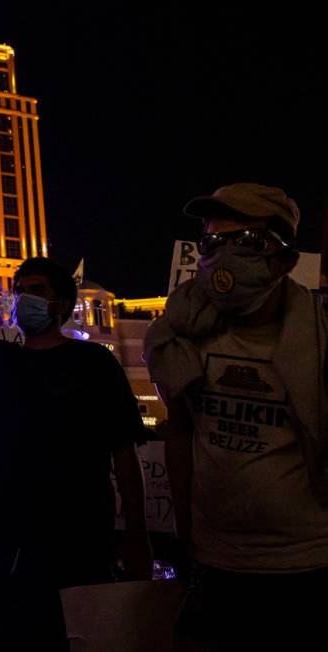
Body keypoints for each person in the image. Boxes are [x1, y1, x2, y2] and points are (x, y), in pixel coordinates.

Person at [0, 200, 152, 651]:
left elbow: (125, 453)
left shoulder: (95, 366)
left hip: (83, 539)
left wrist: (137, 535)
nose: (23, 297)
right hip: (14, 544)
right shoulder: (3, 362)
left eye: (35, 290)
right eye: (20, 288)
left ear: (61, 304)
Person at [144, 183, 328, 649]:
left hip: (306, 565)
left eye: (242, 242)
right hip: (215, 564)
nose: (221, 256)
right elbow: (180, 434)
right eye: (211, 242)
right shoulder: (184, 332)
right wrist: (186, 537)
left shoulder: (320, 335)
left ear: (281, 256)